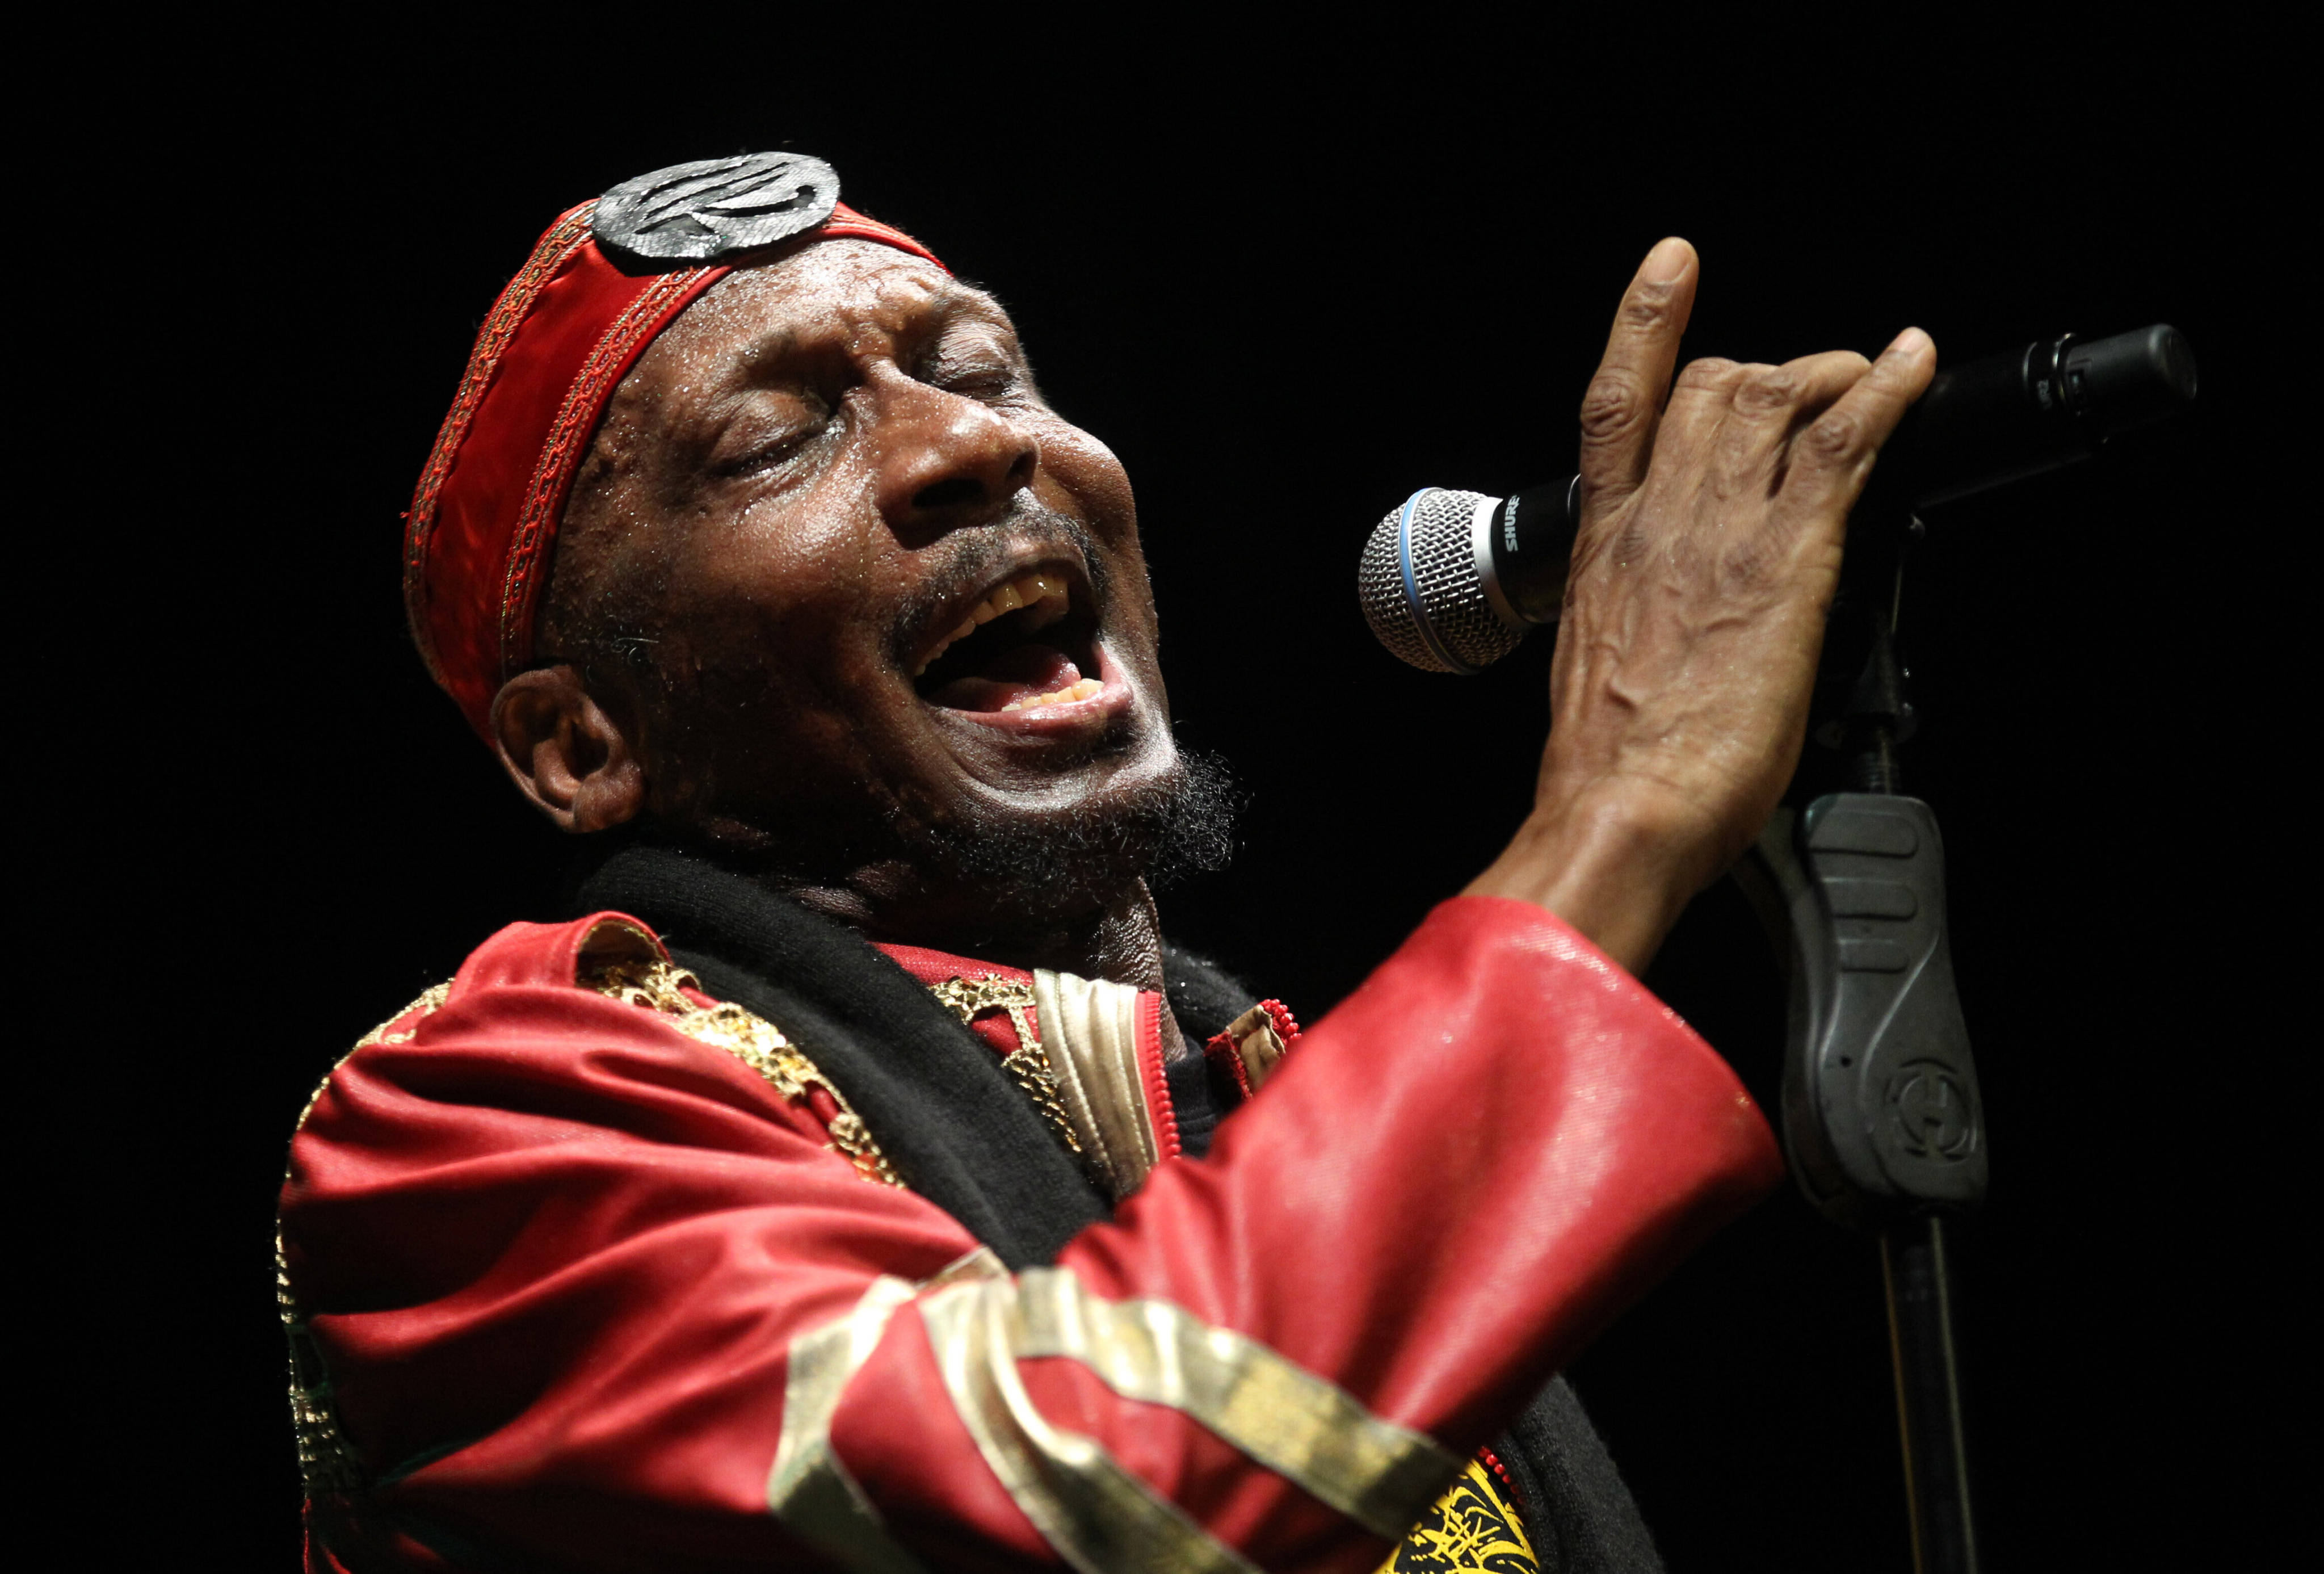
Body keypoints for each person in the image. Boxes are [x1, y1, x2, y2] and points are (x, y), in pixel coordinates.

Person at [278, 152, 1936, 1574]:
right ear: (582, 747)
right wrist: (1626, 801)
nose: (970, 445)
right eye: (778, 440)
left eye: (988, 371)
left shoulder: (1261, 1091)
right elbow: (1076, 1496)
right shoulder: (474, 1131)